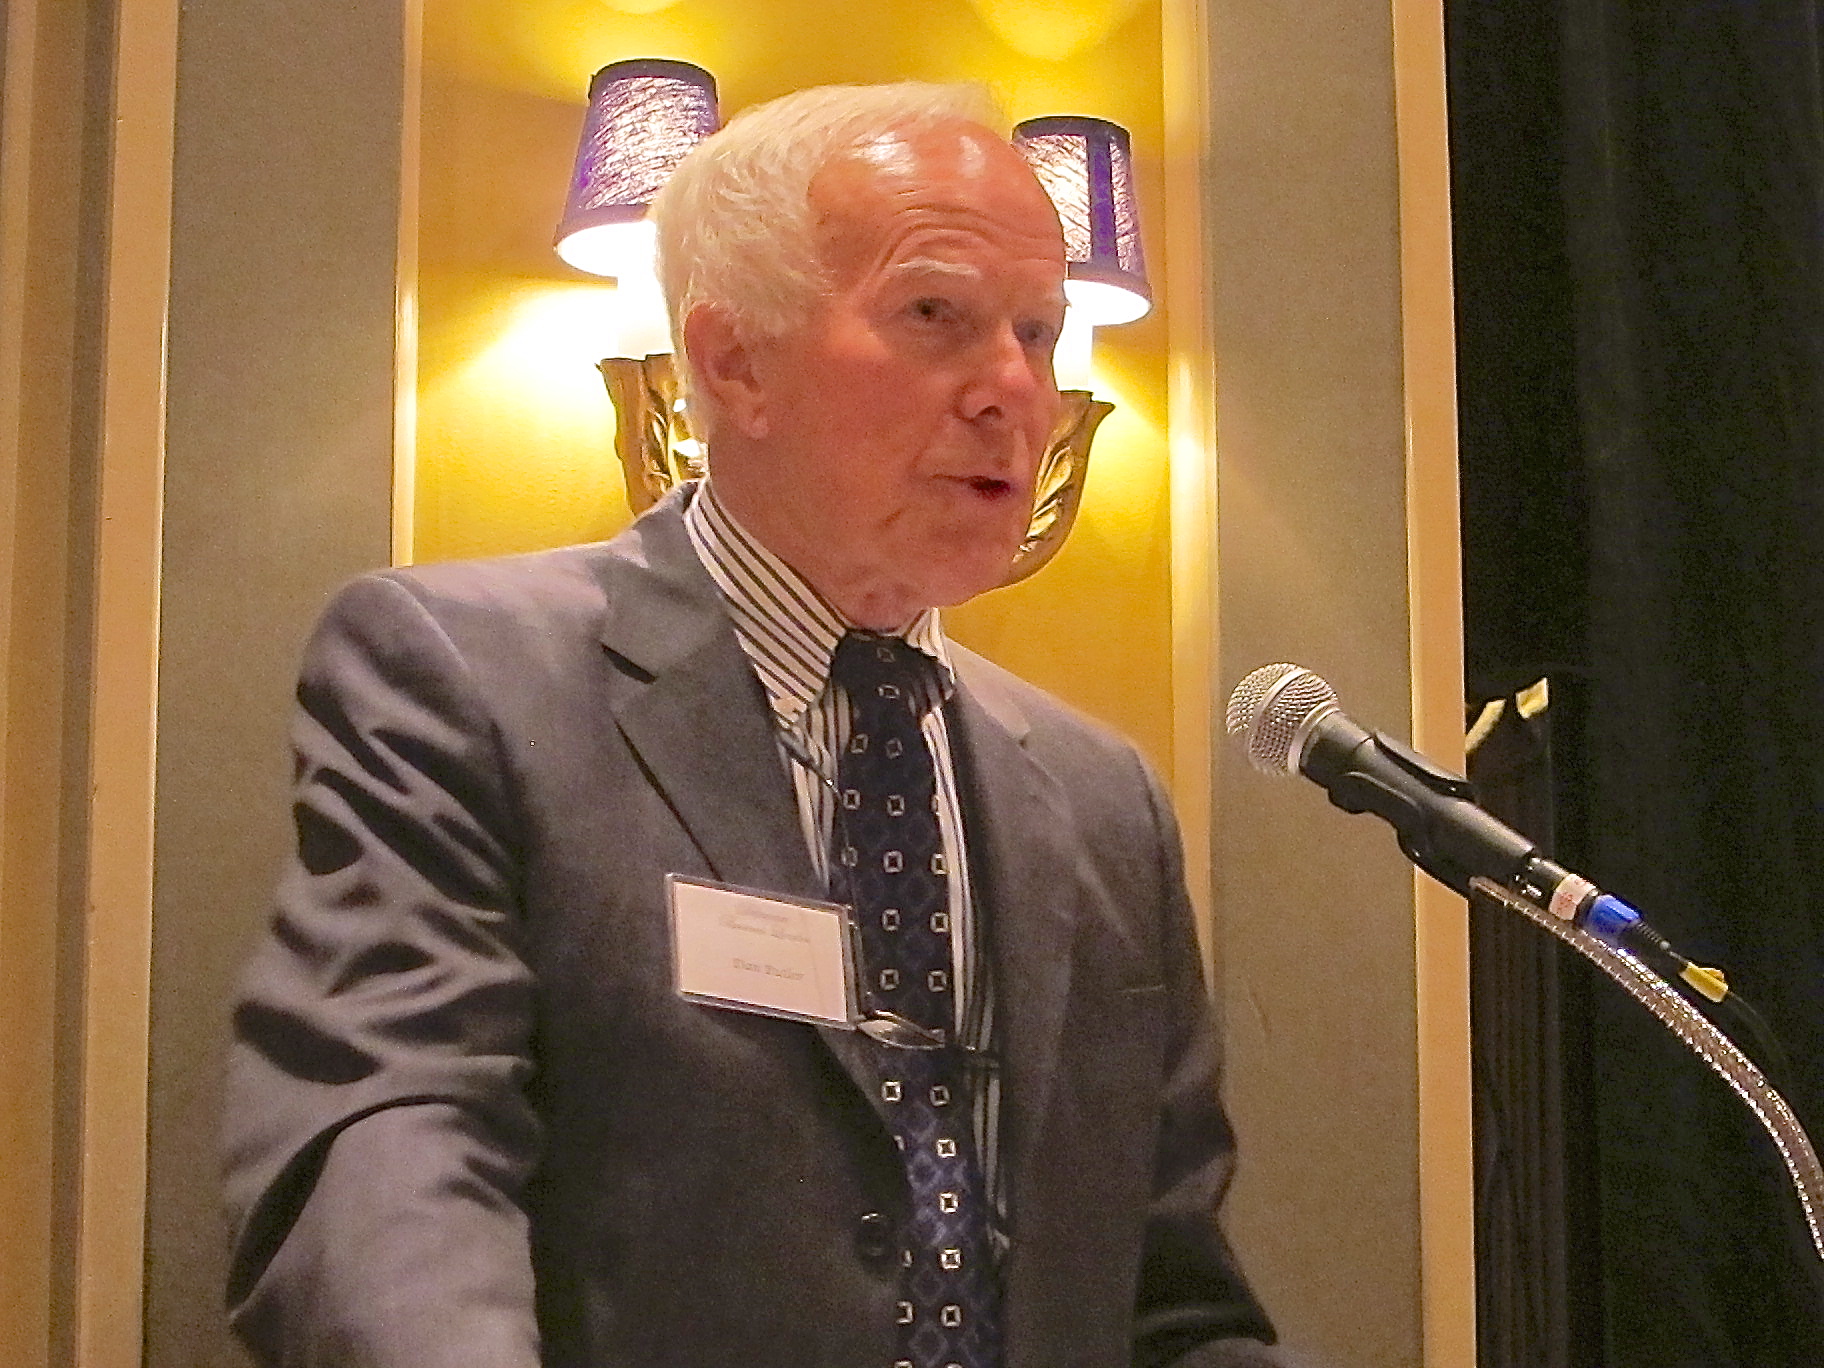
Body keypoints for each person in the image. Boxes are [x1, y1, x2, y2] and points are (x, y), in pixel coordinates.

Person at [223, 81, 1283, 1368]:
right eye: (936, 315)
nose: (1016, 388)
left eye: (1040, 332)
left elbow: (1171, 1304)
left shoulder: (1105, 796)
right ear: (734, 361)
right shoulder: (462, 674)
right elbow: (387, 1142)